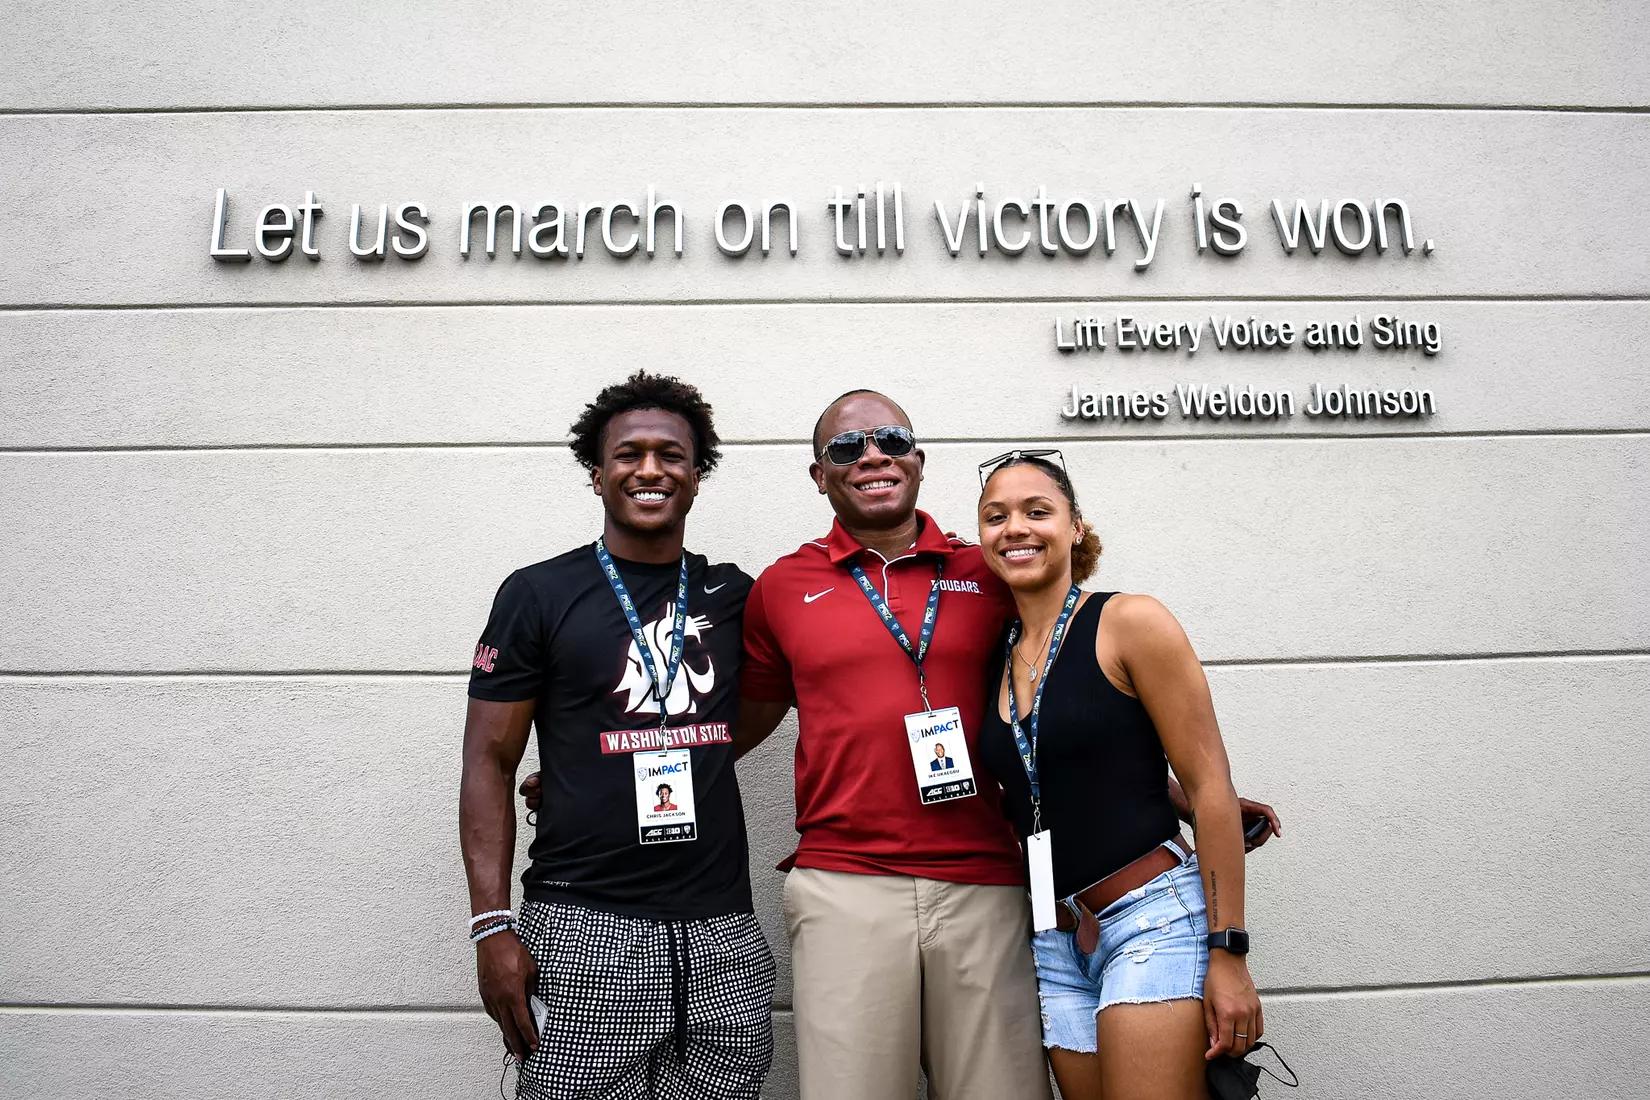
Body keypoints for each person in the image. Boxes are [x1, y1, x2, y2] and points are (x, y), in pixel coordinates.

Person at [524, 389, 1279, 1100]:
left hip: (990, 886)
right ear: (820, 475)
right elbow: (734, 723)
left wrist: (1179, 797)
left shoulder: (991, 571)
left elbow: (1047, 715)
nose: (873, 455)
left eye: (891, 440)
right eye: (847, 447)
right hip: (846, 884)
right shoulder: (781, 587)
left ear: (919, 460)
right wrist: (602, 776)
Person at [459, 371, 775, 1100]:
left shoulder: (736, 596)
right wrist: (491, 927)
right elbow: (489, 760)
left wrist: (642, 761)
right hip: (585, 931)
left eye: (672, 455)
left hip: (724, 933)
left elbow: (763, 703)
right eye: (629, 454)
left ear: (697, 476)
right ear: (597, 475)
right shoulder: (538, 593)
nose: (650, 469)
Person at [974, 450, 1262, 1100]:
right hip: (1056, 938)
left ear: (1075, 526)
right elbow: (1065, 763)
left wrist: (1229, 954)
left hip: (1151, 923)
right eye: (996, 516)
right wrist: (1165, 795)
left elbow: (1211, 785)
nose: (1016, 528)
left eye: (1037, 511)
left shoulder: (1129, 621)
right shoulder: (997, 652)